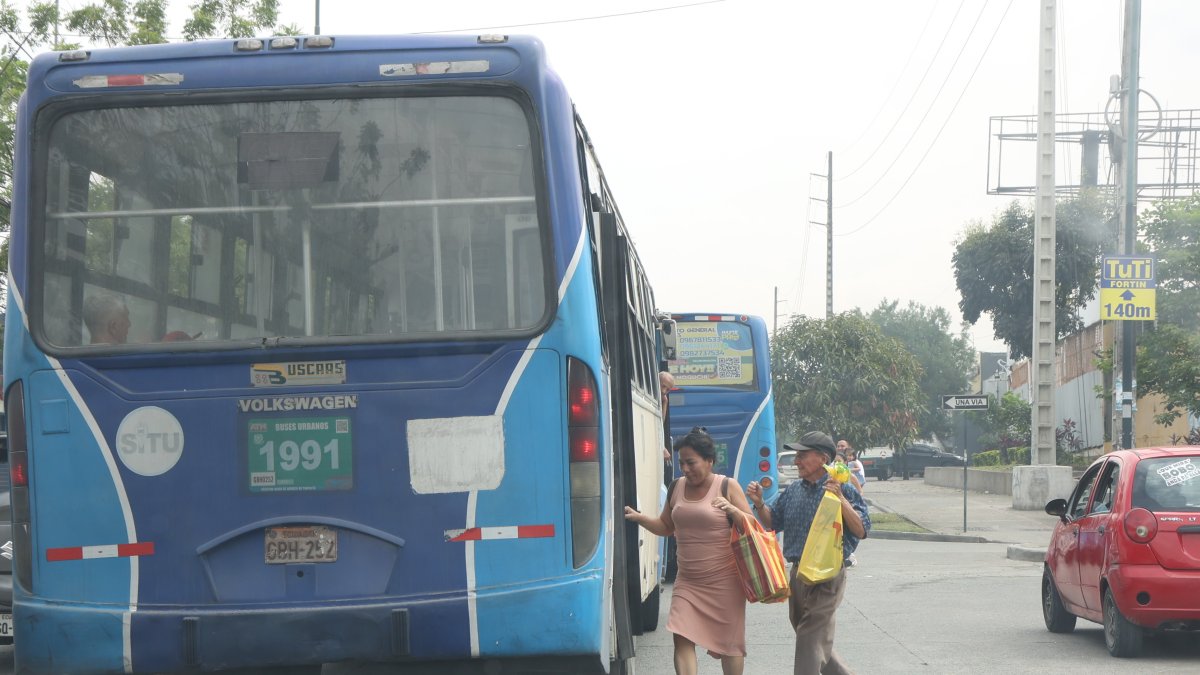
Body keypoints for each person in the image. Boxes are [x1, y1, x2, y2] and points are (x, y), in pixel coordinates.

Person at [625, 427, 753, 675]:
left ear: (710, 461)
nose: (685, 469)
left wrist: (732, 510)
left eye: (691, 462)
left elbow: (752, 527)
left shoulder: (727, 486)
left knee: (730, 645)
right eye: (681, 463)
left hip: (725, 581)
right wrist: (639, 518)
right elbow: (665, 526)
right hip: (688, 582)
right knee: (681, 636)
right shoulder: (676, 487)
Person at [746, 431, 870, 675]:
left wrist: (840, 498)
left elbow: (862, 529)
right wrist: (759, 503)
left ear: (823, 459)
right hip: (799, 574)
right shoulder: (793, 490)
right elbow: (773, 522)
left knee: (809, 637)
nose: (796, 461)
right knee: (812, 639)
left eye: (802, 456)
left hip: (828, 575)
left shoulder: (843, 488)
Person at [660, 371, 676, 463]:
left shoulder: (663, 400)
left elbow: (660, 423)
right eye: (663, 386)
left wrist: (665, 402)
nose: (663, 391)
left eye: (667, 389)